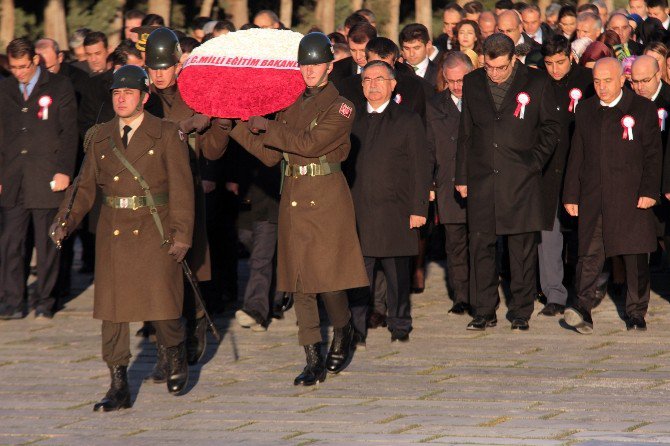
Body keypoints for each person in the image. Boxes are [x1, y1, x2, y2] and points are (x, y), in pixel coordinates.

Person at [49, 65, 195, 410]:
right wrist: (64, 221)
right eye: (116, 93)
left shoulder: (166, 133)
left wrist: (182, 235)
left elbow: (183, 190)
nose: (121, 99)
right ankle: (118, 386)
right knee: (112, 314)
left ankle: (175, 355)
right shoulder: (100, 137)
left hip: (155, 229)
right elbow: (84, 187)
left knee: (164, 308)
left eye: (128, 93)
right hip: (114, 231)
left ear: (144, 98)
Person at [230, 33, 369, 386]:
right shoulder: (290, 104)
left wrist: (271, 126)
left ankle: (343, 327)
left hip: (325, 197)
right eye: (304, 64)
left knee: (330, 281)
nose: (309, 70)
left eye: (315, 64)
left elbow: (310, 143)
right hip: (292, 193)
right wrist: (235, 125)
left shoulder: (342, 106)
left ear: (329, 66)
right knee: (299, 282)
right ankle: (312, 358)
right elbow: (271, 154)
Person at [455, 33, 561, 331]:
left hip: (521, 180)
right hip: (482, 179)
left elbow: (552, 128)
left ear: (513, 58)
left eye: (501, 68)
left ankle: (521, 311)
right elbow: (466, 133)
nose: (495, 74)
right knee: (481, 247)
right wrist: (462, 176)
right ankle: (484, 310)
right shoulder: (473, 82)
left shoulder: (536, 82)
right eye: (489, 67)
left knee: (521, 250)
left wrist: (534, 162)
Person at [143, 27, 230, 369]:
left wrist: (219, 124)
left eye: (165, 65)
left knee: (188, 271)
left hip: (185, 195)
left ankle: (193, 326)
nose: (160, 72)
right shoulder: (140, 99)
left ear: (178, 65)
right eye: (154, 67)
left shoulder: (194, 96)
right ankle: (167, 349)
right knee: (155, 277)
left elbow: (211, 150)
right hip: (149, 199)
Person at [563, 58, 662, 334]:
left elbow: (653, 155)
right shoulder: (585, 109)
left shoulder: (642, 109)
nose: (602, 87)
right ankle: (582, 308)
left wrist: (649, 191)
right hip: (595, 195)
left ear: (622, 80)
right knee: (589, 254)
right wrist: (571, 194)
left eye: (608, 81)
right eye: (597, 81)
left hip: (631, 196)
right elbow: (577, 154)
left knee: (635, 257)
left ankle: (636, 312)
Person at [348, 60, 430, 343]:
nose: (373, 84)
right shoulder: (352, 119)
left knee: (397, 275)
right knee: (359, 276)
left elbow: (421, 166)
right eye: (367, 79)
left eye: (379, 79)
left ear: (392, 84)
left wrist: (419, 208)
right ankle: (356, 329)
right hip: (359, 209)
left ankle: (400, 324)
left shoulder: (408, 119)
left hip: (396, 209)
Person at [0, 38, 78, 320]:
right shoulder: (5, 88)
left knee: (47, 245)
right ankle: (12, 301)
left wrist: (64, 170)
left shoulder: (58, 86)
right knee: (11, 242)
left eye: (23, 66)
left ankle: (46, 298)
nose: (19, 73)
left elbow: (69, 133)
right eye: (13, 67)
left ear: (35, 60)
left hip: (46, 176)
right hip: (13, 177)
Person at [537, 35, 594, 317]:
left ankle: (587, 290)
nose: (555, 69)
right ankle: (554, 294)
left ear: (571, 56)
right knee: (549, 233)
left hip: (582, 167)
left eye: (560, 62)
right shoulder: (537, 83)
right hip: (547, 170)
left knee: (586, 233)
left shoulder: (588, 80)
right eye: (549, 64)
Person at [427, 51, 474, 316]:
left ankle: (481, 294)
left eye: (462, 80)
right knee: (455, 244)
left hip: (479, 185)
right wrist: (429, 183)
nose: (457, 86)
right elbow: (429, 148)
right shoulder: (434, 106)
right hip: (447, 184)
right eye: (451, 80)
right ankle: (461, 297)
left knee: (479, 244)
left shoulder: (482, 102)